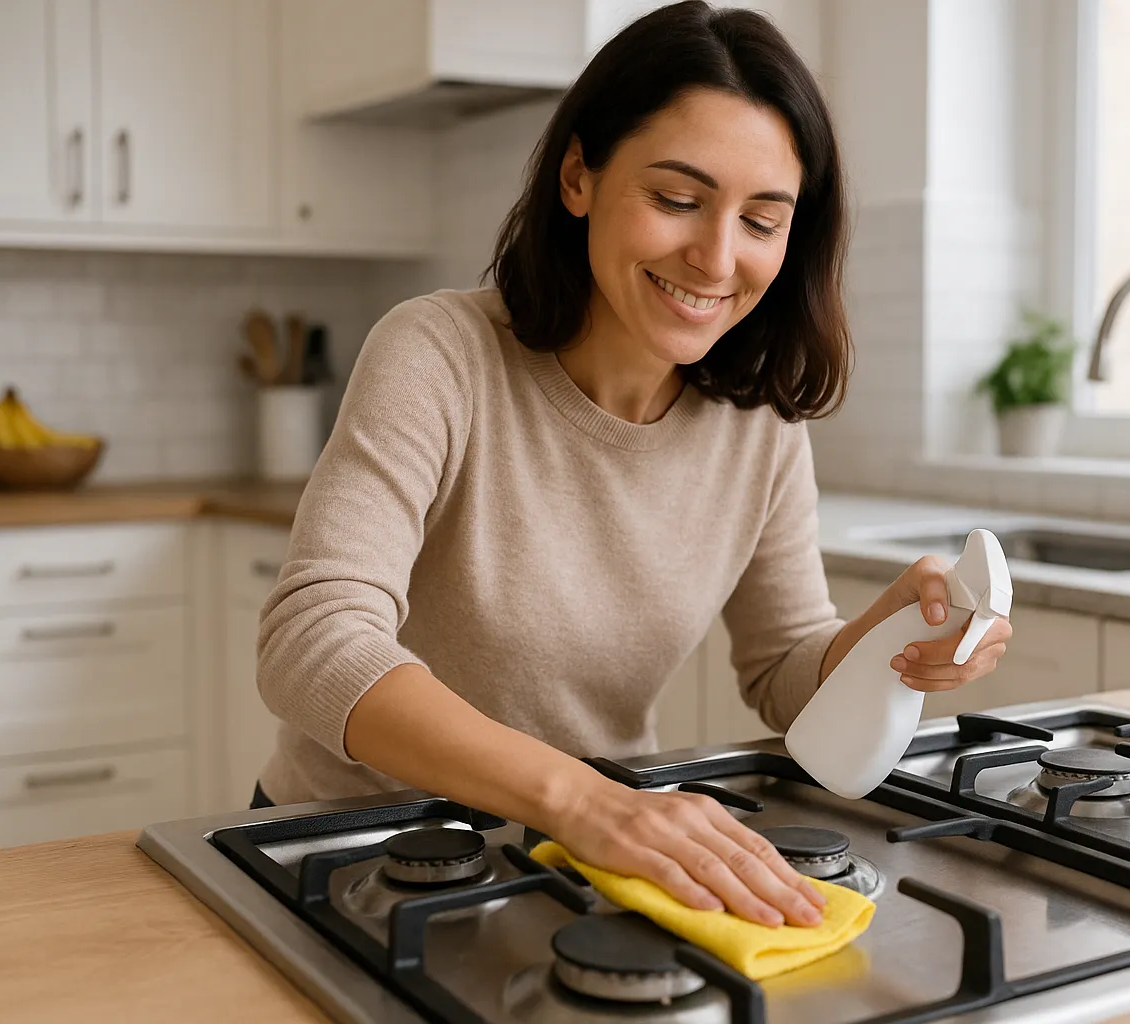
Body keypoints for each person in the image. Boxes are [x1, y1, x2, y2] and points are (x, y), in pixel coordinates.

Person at [254, 0, 1011, 931]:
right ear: (579, 176)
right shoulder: (439, 352)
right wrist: (583, 799)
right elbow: (313, 642)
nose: (716, 256)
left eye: (762, 221)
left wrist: (884, 636)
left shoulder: (759, 420)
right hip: (361, 854)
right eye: (677, 199)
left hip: (588, 860)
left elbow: (782, 667)